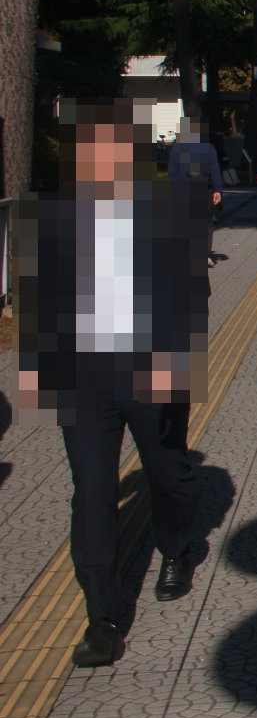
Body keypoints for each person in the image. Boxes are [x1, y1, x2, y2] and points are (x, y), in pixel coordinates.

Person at [16, 98, 211, 667]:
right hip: (83, 376)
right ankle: (101, 617)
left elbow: (190, 297)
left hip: (151, 365)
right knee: (93, 492)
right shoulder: (46, 216)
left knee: (168, 474)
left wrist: (179, 369)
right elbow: (36, 308)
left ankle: (177, 547)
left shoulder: (167, 212)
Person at [166, 115, 223, 266]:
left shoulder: (177, 148)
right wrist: (217, 190)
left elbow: (171, 172)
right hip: (203, 190)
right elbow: (215, 170)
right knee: (206, 223)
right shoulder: (208, 147)